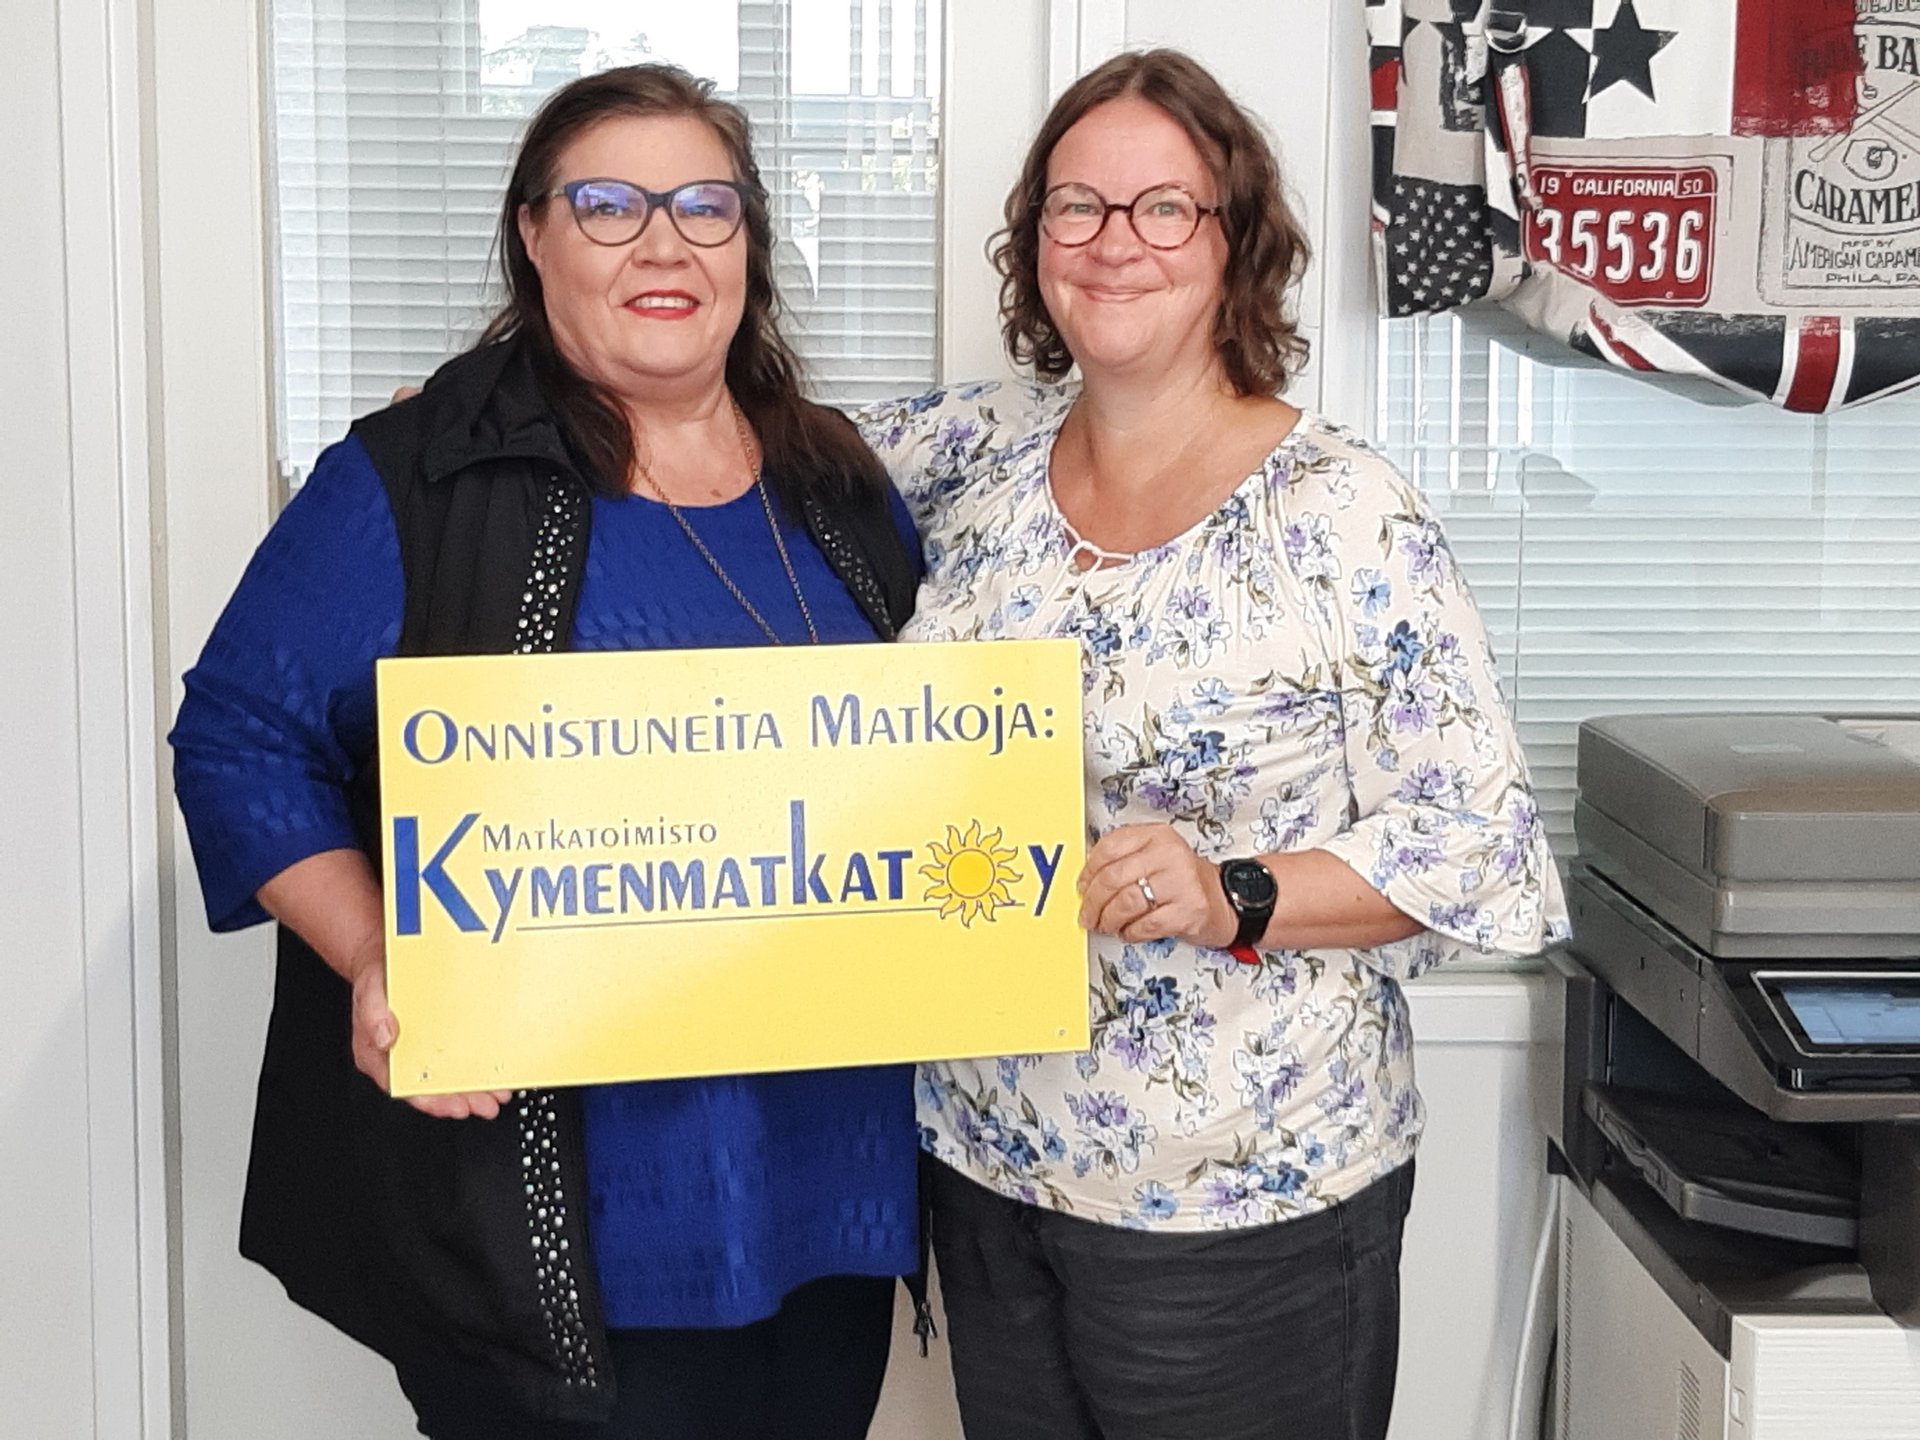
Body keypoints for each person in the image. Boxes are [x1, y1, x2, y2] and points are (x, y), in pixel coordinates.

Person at [170, 65, 925, 1440]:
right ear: (533, 235)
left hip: (831, 1175)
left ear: (750, 240)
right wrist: (382, 950)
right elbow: (239, 737)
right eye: (609, 205)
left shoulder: (841, 484)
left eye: (705, 206)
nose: (663, 244)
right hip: (560, 1214)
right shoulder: (416, 478)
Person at [856, 49, 1568, 1440]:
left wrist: (1231, 892)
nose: (1114, 242)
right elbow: (734, 449)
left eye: (1164, 208)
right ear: (1035, 241)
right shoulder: (972, 454)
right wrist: (481, 416)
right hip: (987, 1165)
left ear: (1236, 240)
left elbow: (1477, 845)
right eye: (1076, 207)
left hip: (1243, 1199)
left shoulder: (1343, 511)